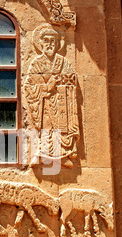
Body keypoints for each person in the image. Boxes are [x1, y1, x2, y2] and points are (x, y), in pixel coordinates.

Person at [24, 26, 79, 168]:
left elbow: (71, 80)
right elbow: (29, 86)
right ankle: (43, 155)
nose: (50, 44)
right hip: (44, 103)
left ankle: (63, 155)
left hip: (60, 101)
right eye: (46, 41)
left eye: (53, 41)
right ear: (40, 43)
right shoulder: (36, 64)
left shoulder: (63, 62)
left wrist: (63, 83)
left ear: (57, 44)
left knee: (61, 128)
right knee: (46, 127)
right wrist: (47, 87)